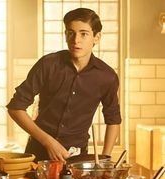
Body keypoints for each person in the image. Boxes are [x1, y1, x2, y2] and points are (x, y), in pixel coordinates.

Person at [6, 8, 121, 163]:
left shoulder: (107, 76)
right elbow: (15, 108)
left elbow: (113, 120)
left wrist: (105, 159)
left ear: (96, 37)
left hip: (77, 158)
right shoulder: (48, 65)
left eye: (83, 34)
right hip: (37, 153)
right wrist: (48, 142)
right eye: (70, 33)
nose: (76, 40)